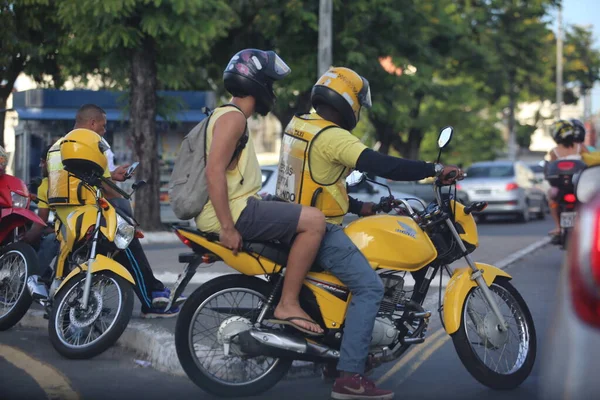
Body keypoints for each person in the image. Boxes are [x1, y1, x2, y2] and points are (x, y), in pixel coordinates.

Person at [276, 66, 463, 399]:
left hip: (289, 218)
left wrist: (361, 207)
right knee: (370, 288)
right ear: (349, 100)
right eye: (359, 101)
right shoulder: (333, 136)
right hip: (318, 230)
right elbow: (382, 165)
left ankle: (333, 356)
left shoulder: (300, 124)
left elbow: (314, 182)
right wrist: (435, 170)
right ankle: (350, 376)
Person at [195, 48, 326, 335]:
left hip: (237, 206)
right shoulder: (233, 119)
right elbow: (213, 172)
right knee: (315, 221)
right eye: (270, 83)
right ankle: (288, 303)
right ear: (255, 83)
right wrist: (228, 227)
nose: (272, 91)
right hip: (231, 214)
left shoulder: (225, 116)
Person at [47, 107, 184, 318]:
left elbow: (74, 181)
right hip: (88, 218)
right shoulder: (89, 147)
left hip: (64, 223)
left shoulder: (56, 148)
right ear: (92, 123)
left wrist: (110, 175)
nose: (103, 131)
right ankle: (153, 298)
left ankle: (155, 290)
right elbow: (107, 192)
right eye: (103, 126)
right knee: (126, 241)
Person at [22, 146, 59, 279]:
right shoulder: (75, 179)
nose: (40, 165)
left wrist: (24, 240)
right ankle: (47, 278)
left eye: (42, 162)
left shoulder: (45, 185)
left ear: (49, 163)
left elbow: (40, 222)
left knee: (49, 241)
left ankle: (30, 280)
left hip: (67, 233)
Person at [546, 119, 589, 237]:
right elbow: (590, 161)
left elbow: (549, 169)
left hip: (560, 187)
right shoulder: (580, 147)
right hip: (579, 186)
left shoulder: (554, 151)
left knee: (552, 200)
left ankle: (558, 227)